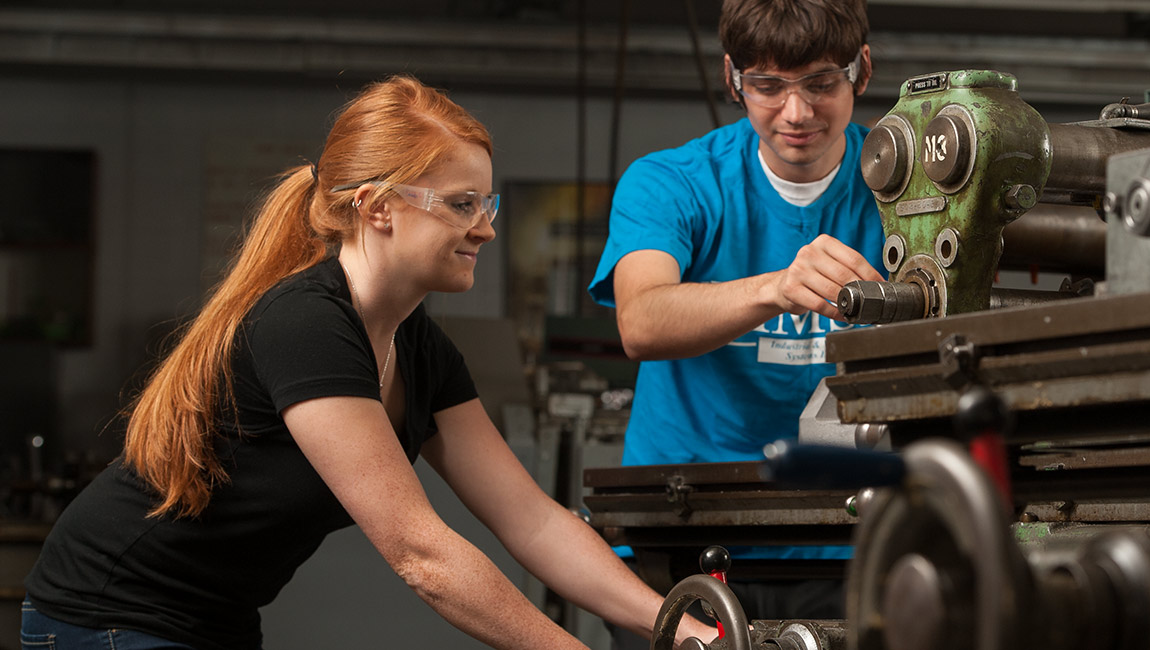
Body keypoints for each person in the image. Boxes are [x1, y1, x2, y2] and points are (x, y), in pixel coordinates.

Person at [22, 76, 715, 650]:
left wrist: (678, 630)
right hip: (108, 613)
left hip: (215, 621)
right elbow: (423, 557)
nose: (487, 226)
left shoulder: (420, 347)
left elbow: (532, 521)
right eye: (462, 204)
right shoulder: (306, 324)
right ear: (377, 207)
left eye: (487, 202)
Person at [586, 0, 883, 637]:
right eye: (768, 86)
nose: (796, 113)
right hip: (682, 532)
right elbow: (640, 322)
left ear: (862, 68)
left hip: (845, 542)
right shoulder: (671, 183)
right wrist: (777, 287)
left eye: (821, 83)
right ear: (732, 78)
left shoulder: (903, 187)